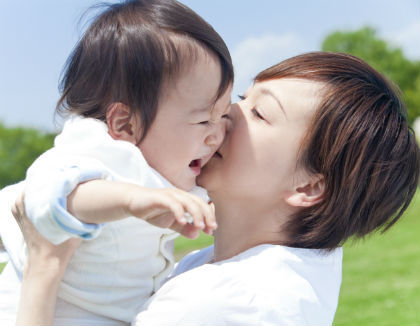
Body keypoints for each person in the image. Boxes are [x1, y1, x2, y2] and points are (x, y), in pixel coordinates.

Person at [11, 52, 420, 326]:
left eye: (259, 113)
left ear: (309, 186)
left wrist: (44, 266)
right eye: (243, 96)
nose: (225, 112)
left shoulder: (225, 303)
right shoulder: (289, 261)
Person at [0, 0, 233, 325]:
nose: (217, 135)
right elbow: (50, 197)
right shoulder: (100, 151)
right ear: (125, 124)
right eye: (202, 121)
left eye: (224, 116)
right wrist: (131, 199)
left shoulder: (170, 170)